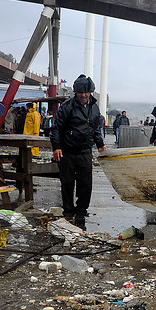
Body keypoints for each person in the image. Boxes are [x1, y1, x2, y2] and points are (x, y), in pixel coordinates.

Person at [50, 74, 106, 229]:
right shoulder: (67, 107)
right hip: (67, 152)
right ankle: (68, 212)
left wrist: (100, 143)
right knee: (67, 183)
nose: (83, 95)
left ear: (90, 92)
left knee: (85, 185)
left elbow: (95, 129)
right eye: (80, 92)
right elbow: (56, 129)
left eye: (86, 92)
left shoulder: (95, 107)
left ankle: (81, 212)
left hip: (85, 152)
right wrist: (56, 148)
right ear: (76, 92)